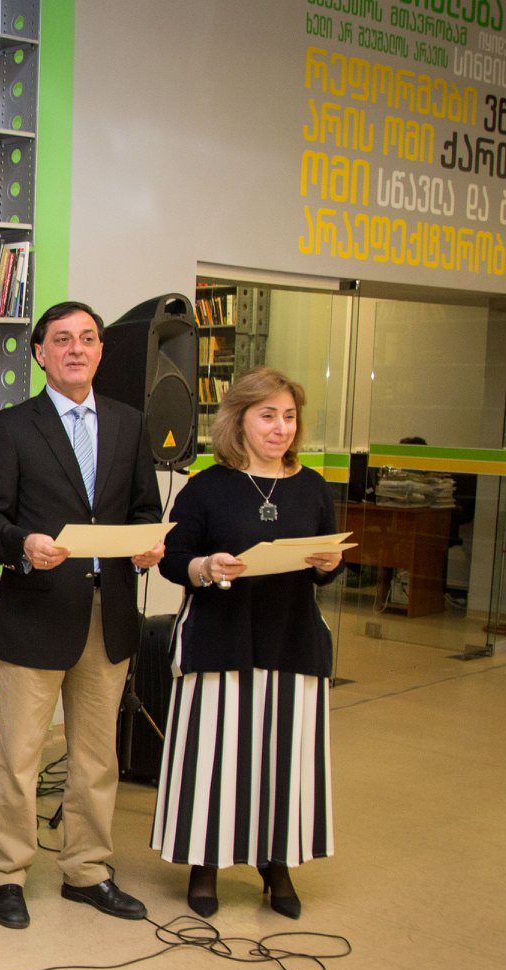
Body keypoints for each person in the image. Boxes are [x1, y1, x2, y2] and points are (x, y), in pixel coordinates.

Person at [0, 300, 164, 931]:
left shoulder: (130, 424)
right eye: (61, 339)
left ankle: (88, 871)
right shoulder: (11, 427)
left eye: (87, 338)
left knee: (97, 759)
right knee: (20, 758)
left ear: (101, 351)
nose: (76, 348)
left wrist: (148, 545)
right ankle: (6, 874)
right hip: (36, 614)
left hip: (111, 615)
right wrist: (22, 545)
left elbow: (144, 508)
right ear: (40, 354)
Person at [152, 366, 343, 919]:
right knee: (213, 761)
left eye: (289, 417)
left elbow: (328, 567)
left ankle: (277, 865)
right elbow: (172, 559)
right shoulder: (206, 486)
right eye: (268, 416)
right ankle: (204, 864)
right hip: (219, 639)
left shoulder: (313, 487)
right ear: (239, 421)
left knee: (284, 761)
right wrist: (206, 567)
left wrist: (329, 564)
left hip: (292, 641)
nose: (281, 428)